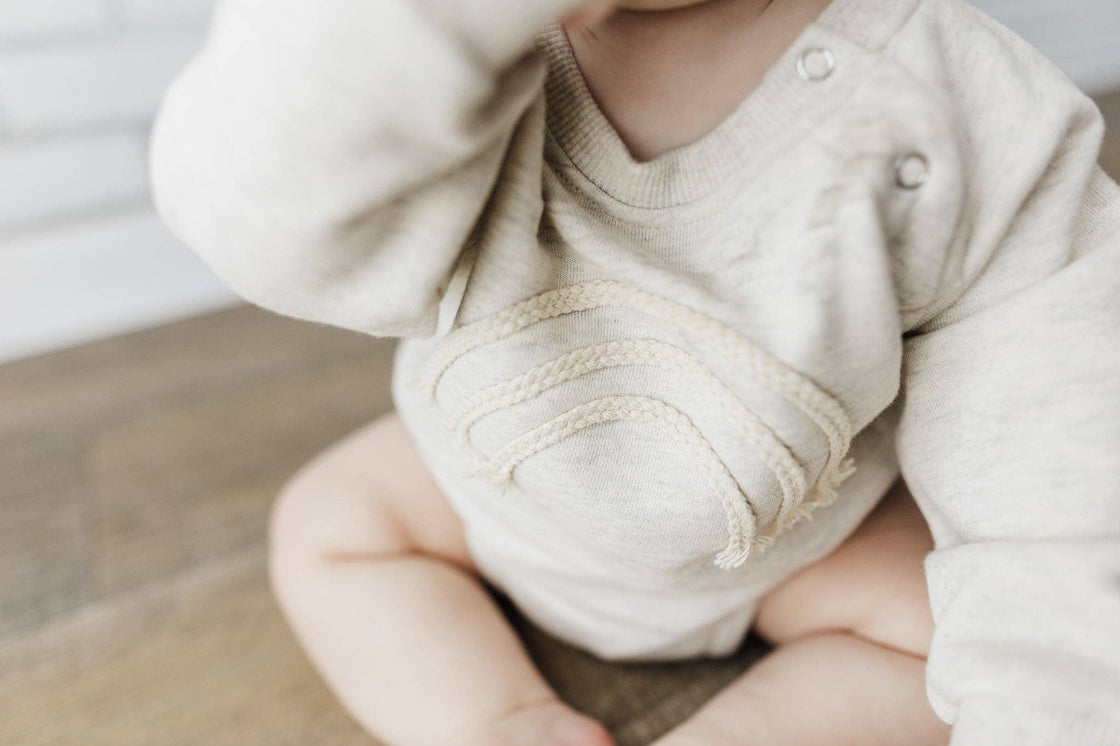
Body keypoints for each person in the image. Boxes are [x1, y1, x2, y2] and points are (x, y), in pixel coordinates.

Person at [149, 0, 1120, 743]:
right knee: (328, 525)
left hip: (797, 545)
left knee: (963, 635)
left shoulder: (968, 115)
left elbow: (1060, 488)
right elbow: (261, 217)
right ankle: (497, 722)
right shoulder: (454, 59)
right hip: (485, 493)